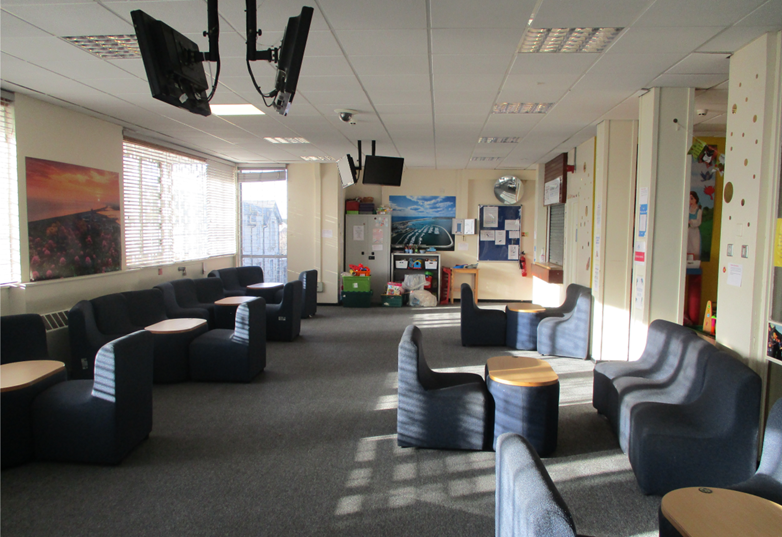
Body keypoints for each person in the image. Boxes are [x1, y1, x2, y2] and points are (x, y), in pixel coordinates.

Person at [687, 191, 702, 260]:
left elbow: (698, 221)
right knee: (688, 246)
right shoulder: (687, 210)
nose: (690, 200)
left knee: (695, 247)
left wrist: (691, 221)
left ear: (695, 199)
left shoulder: (698, 211)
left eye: (692, 198)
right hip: (688, 231)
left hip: (695, 232)